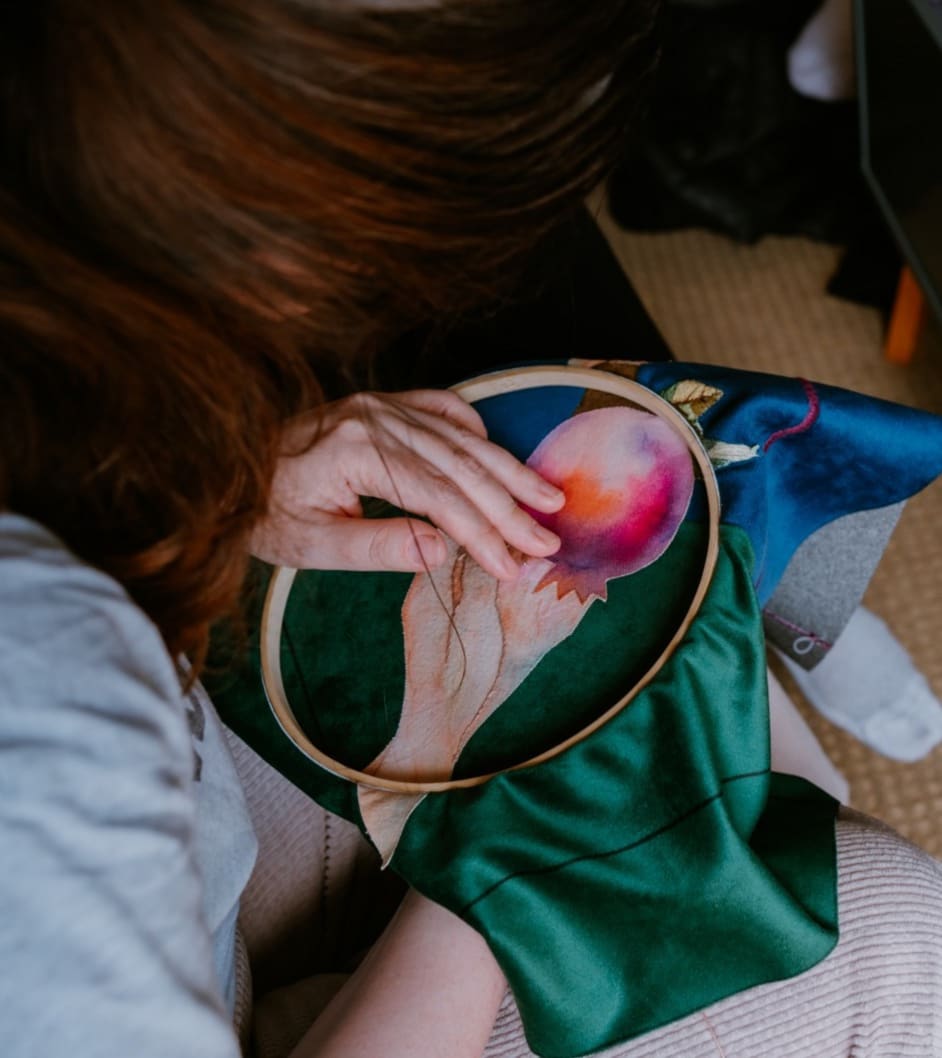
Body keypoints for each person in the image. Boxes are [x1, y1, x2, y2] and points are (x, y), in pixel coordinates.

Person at [1, 4, 940, 1058]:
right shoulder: (49, 727)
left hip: (176, 794)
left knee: (525, 437)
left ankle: (781, 578)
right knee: (886, 912)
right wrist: (496, 829)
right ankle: (774, 623)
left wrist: (229, 481)